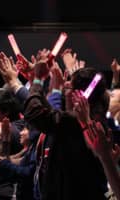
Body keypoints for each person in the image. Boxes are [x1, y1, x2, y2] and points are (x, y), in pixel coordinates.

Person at [23, 64, 110, 200]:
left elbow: (35, 113)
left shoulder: (78, 121)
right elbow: (53, 115)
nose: (65, 87)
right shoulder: (91, 118)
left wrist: (38, 80)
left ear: (79, 95)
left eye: (69, 86)